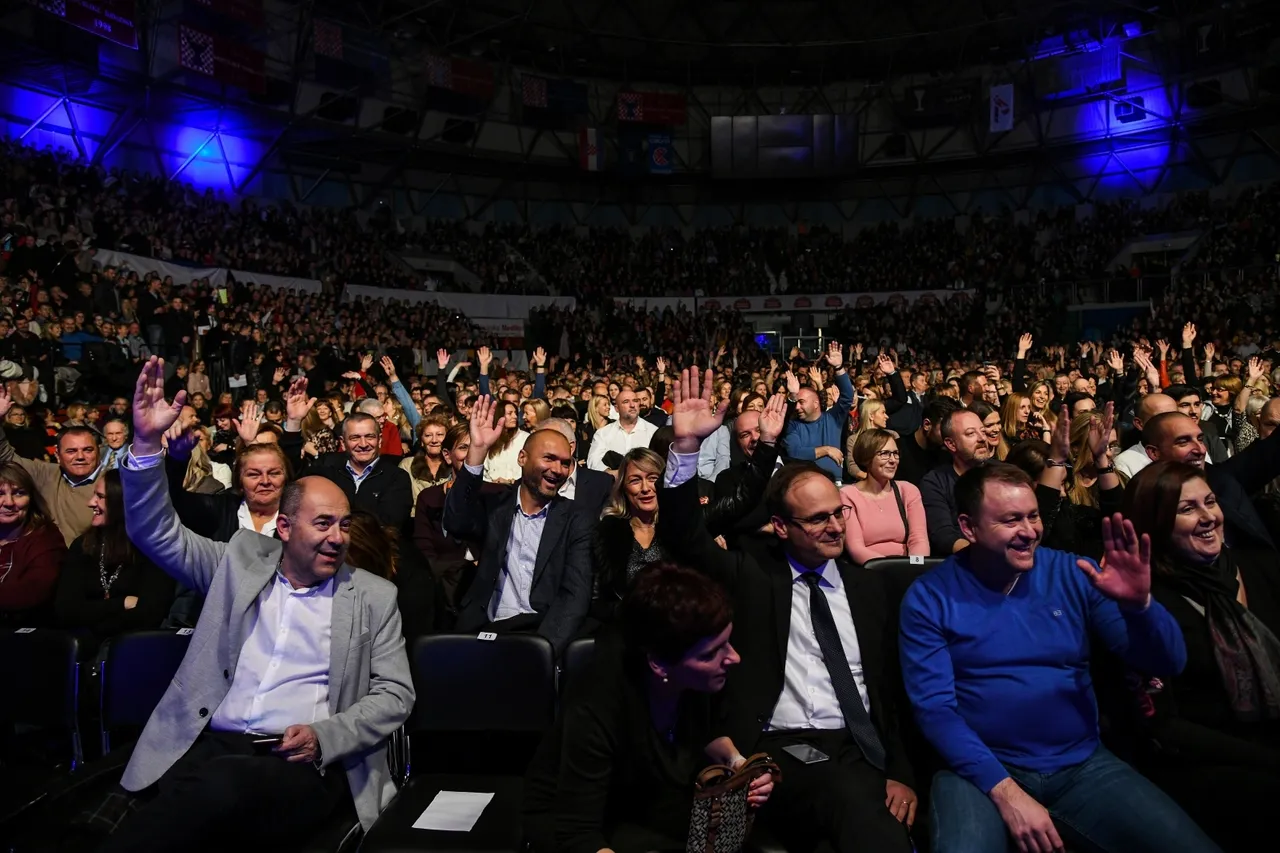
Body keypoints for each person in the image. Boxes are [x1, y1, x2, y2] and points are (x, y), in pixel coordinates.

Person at [102, 358, 415, 851]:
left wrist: (325, 736)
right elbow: (154, 533)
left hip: (300, 763)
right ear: (284, 529)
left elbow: (395, 695)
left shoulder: (373, 596)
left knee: (212, 794)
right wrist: (143, 447)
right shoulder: (238, 563)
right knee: (170, 792)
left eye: (345, 524)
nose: (339, 538)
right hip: (207, 744)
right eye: (323, 525)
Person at [660, 367, 920, 853]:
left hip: (861, 747)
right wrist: (687, 449)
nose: (834, 527)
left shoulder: (869, 588)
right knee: (851, 801)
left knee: (858, 809)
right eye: (817, 518)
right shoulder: (755, 577)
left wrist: (901, 773)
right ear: (781, 527)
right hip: (776, 750)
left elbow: (891, 692)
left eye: (838, 513)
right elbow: (684, 540)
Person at [898, 463, 1219, 853]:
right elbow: (935, 709)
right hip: (979, 768)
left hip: (1081, 763)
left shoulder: (1070, 571)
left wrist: (1141, 606)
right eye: (1011, 520)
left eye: (1033, 516)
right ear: (969, 527)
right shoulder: (929, 596)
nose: (1030, 531)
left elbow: (1168, 662)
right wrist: (1007, 794)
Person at [523, 563, 771, 853]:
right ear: (659, 664)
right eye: (711, 653)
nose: (734, 658)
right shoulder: (597, 700)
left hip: (649, 802)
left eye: (727, 643)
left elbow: (707, 731)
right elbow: (578, 834)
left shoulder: (701, 677)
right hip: (584, 824)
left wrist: (737, 762)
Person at [1116, 461, 1280, 852]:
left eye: (1210, 502)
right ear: (1156, 523)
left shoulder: (1263, 568)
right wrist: (1269, 758)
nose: (1208, 517)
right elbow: (1164, 725)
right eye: (1188, 509)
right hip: (1209, 760)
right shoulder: (1144, 601)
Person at [442, 395, 593, 656]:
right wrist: (476, 454)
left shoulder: (576, 518)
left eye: (565, 462)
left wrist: (542, 653)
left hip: (540, 634)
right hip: (485, 630)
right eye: (548, 458)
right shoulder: (495, 506)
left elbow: (575, 596)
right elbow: (456, 521)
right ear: (522, 458)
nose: (557, 469)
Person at [54, 469, 172, 644]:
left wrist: (94, 619)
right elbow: (65, 610)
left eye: (100, 497)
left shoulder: (152, 549)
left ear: (122, 502)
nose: (90, 503)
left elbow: (150, 614)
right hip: (85, 646)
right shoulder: (83, 546)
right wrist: (122, 603)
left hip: (133, 647)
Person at [0, 386, 102, 544]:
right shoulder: (46, 473)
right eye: (71, 451)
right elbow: (6, 456)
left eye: (88, 450)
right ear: (57, 456)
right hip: (48, 563)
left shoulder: (113, 483)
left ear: (99, 452)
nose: (80, 456)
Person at [303, 410, 413, 533]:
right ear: (343, 443)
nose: (363, 444)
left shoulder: (396, 477)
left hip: (375, 550)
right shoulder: (327, 472)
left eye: (369, 436)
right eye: (355, 438)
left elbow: (389, 525)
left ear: (380, 440)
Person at [840, 429, 928, 564]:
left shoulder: (908, 490)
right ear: (866, 458)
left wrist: (914, 566)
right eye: (885, 454)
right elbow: (856, 547)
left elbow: (919, 539)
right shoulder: (848, 495)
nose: (893, 460)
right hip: (870, 571)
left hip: (907, 567)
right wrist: (888, 568)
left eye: (895, 453)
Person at [0, 462, 68, 626]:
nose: (9, 502)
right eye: (0, 493)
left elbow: (33, 592)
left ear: (31, 498)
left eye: (19, 493)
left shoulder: (45, 537)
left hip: (23, 634)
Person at [920, 408, 991, 555]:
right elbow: (944, 536)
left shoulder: (1003, 474)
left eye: (983, 431)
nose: (982, 438)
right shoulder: (935, 482)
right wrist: (985, 557)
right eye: (971, 433)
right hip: (964, 564)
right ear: (951, 444)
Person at [781, 343, 853, 482]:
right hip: (804, 483)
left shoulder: (833, 418)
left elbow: (847, 395)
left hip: (833, 483)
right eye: (796, 403)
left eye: (801, 402)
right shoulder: (793, 425)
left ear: (815, 403)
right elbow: (794, 452)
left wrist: (838, 368)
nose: (797, 407)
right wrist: (826, 450)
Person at [587, 386, 657, 474]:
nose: (632, 405)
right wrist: (613, 473)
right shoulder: (603, 434)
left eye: (635, 401)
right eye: (626, 402)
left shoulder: (653, 431)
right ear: (616, 408)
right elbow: (593, 461)